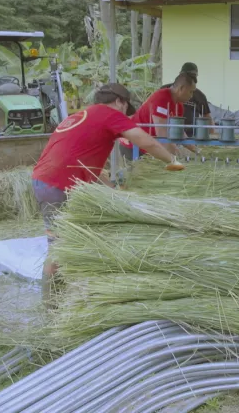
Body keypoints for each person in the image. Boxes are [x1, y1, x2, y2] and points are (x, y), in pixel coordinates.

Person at [31, 83, 185, 308]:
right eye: (125, 107)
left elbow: (85, 163)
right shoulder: (109, 114)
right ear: (119, 101)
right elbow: (146, 141)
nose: (125, 113)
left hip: (45, 180)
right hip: (57, 185)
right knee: (58, 246)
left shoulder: (83, 115)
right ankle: (50, 306)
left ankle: (66, 294)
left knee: (71, 239)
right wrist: (174, 162)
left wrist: (113, 188)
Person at [119, 72, 197, 160]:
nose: (191, 96)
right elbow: (162, 136)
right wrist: (177, 158)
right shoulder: (161, 98)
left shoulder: (179, 106)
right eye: (190, 91)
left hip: (150, 147)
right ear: (181, 88)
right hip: (133, 146)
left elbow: (179, 133)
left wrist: (197, 151)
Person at [161, 62, 213, 138]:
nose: (190, 95)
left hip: (190, 136)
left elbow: (207, 117)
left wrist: (211, 136)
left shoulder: (199, 95)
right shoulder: (164, 91)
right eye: (187, 76)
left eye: (193, 77)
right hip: (168, 134)